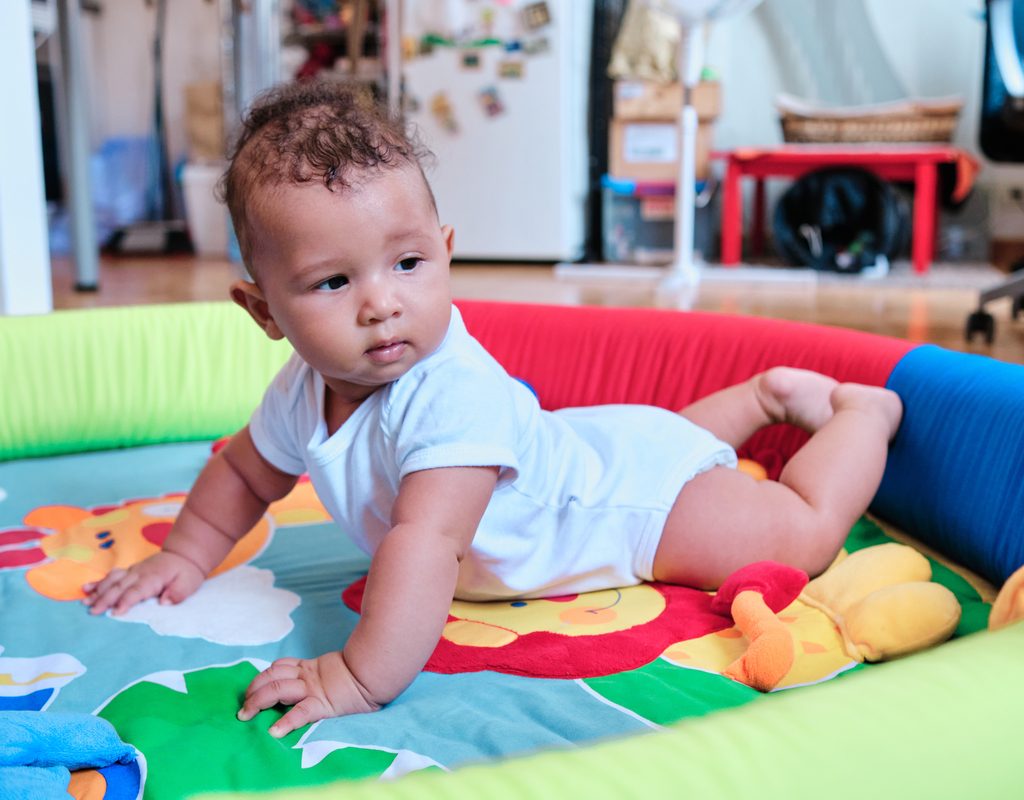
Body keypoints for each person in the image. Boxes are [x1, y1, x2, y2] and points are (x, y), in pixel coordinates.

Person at [83, 81, 903, 738]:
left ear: (445, 251)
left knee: (792, 533)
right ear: (265, 313)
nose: (381, 305)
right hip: (584, 452)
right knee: (657, 443)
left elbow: (427, 541)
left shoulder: (451, 394)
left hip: (622, 513)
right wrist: (183, 556)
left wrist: (356, 675)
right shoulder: (303, 389)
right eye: (334, 282)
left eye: (406, 263)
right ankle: (758, 399)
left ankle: (860, 416)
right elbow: (243, 473)